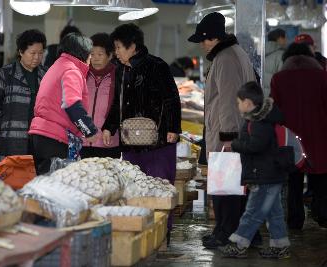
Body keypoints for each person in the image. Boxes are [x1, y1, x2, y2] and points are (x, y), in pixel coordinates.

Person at [102, 23, 181, 243]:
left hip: (158, 142)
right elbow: (116, 104)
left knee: (159, 186)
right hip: (130, 142)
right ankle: (140, 233)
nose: (116, 52)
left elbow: (171, 99)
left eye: (118, 47)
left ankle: (162, 233)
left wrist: (173, 128)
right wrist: (109, 126)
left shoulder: (156, 65)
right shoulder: (120, 70)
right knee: (135, 187)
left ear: (132, 46)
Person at [188, 12, 257, 249]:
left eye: (203, 40)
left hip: (227, 135)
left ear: (213, 38)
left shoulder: (225, 59)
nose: (201, 45)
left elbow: (229, 100)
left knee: (225, 190)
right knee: (233, 189)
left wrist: (228, 138)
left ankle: (226, 233)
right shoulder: (234, 54)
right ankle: (236, 232)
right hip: (234, 133)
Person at [220, 81, 291, 259]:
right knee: (274, 213)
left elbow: (256, 146)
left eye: (238, 102)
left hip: (264, 175)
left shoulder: (260, 121)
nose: (237, 106)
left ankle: (238, 244)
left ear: (247, 103)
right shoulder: (261, 118)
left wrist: (235, 144)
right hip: (270, 173)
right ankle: (280, 246)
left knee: (253, 212)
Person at [271, 42, 327, 229]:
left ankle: (295, 220)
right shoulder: (322, 76)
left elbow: (275, 110)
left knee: (294, 180)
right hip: (319, 134)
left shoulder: (279, 79)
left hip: (290, 136)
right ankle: (322, 214)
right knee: (320, 177)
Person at [29, 33, 98, 175]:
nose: (91, 58)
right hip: (55, 139)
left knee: (44, 186)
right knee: (57, 189)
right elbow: (72, 104)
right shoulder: (71, 70)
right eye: (90, 54)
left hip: (41, 136)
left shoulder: (57, 66)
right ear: (82, 52)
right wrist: (89, 130)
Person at [0, 29, 47, 168]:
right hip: (11, 140)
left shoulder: (46, 75)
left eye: (40, 53)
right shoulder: (6, 74)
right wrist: (3, 127)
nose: (37, 57)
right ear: (21, 52)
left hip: (38, 140)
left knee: (36, 181)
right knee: (10, 181)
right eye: (32, 53)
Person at [80, 33, 120, 159]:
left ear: (110, 56)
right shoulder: (82, 75)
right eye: (92, 54)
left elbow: (119, 107)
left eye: (100, 54)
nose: (95, 58)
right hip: (84, 142)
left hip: (108, 142)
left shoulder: (118, 76)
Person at [264, 28, 286, 96]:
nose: (286, 40)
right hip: (274, 96)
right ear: (280, 38)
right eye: (284, 38)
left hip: (262, 95)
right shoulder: (281, 55)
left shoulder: (262, 53)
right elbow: (283, 79)